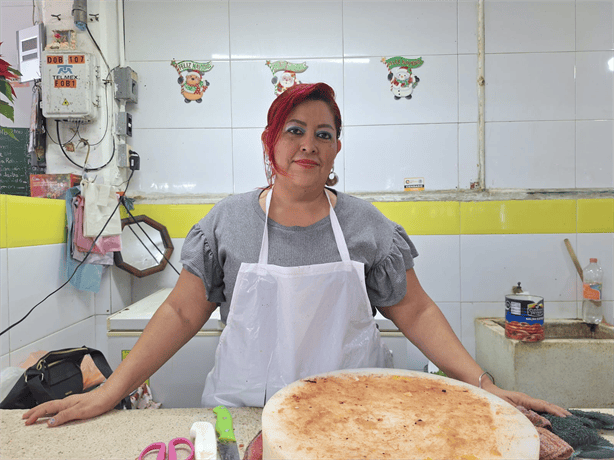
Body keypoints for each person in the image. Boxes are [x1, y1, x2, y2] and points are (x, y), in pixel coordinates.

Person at [23, 82, 570, 427]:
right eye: (295, 130)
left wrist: (486, 387)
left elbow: (418, 311)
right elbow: (181, 312)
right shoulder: (228, 222)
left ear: (335, 150)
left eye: (323, 134)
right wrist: (111, 392)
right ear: (271, 142)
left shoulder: (365, 225)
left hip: (355, 418)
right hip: (249, 416)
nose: (308, 143)